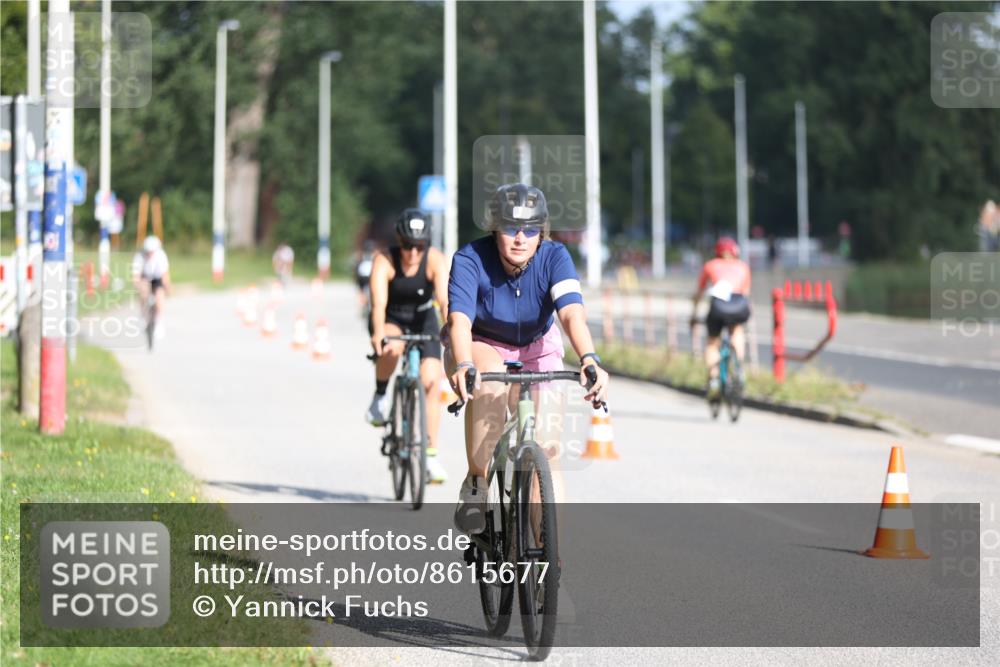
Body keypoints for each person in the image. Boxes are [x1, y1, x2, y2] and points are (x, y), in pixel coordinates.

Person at [446, 183, 610, 534]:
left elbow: (571, 316)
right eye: (510, 228)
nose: (520, 238)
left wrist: (589, 358)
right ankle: (476, 483)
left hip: (539, 346)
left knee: (547, 452)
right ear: (495, 228)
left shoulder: (555, 257)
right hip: (482, 344)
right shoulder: (470, 259)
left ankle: (547, 551)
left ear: (542, 232)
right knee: (487, 378)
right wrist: (463, 364)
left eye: (531, 229)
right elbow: (459, 322)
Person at [367, 209, 449, 484]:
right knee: (391, 348)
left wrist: (450, 327)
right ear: (398, 242)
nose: (413, 253)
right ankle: (380, 396)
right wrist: (379, 333)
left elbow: (445, 301)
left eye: (419, 246)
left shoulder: (434, 259)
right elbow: (378, 304)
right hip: (392, 317)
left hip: (423, 318)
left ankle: (430, 456)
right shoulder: (385, 260)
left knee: (430, 381)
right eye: (407, 246)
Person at [692, 237, 751, 398]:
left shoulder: (711, 265)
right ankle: (739, 367)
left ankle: (713, 379)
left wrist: (694, 312)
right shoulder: (743, 267)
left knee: (712, 342)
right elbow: (746, 293)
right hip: (739, 303)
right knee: (737, 332)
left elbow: (699, 292)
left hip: (719, 305)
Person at [131, 235, 171, 337]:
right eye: (148, 251)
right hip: (145, 277)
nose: (150, 254)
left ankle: (158, 322)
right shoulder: (139, 256)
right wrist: (138, 286)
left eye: (152, 251)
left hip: (157, 278)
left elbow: (165, 275)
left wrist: (167, 288)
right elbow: (136, 276)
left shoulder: (161, 256)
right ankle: (144, 317)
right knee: (143, 293)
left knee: (159, 298)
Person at [355, 240, 377, 316]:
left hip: (364, 275)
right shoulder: (373, 256)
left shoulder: (362, 256)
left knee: (363, 292)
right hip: (368, 275)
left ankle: (364, 306)